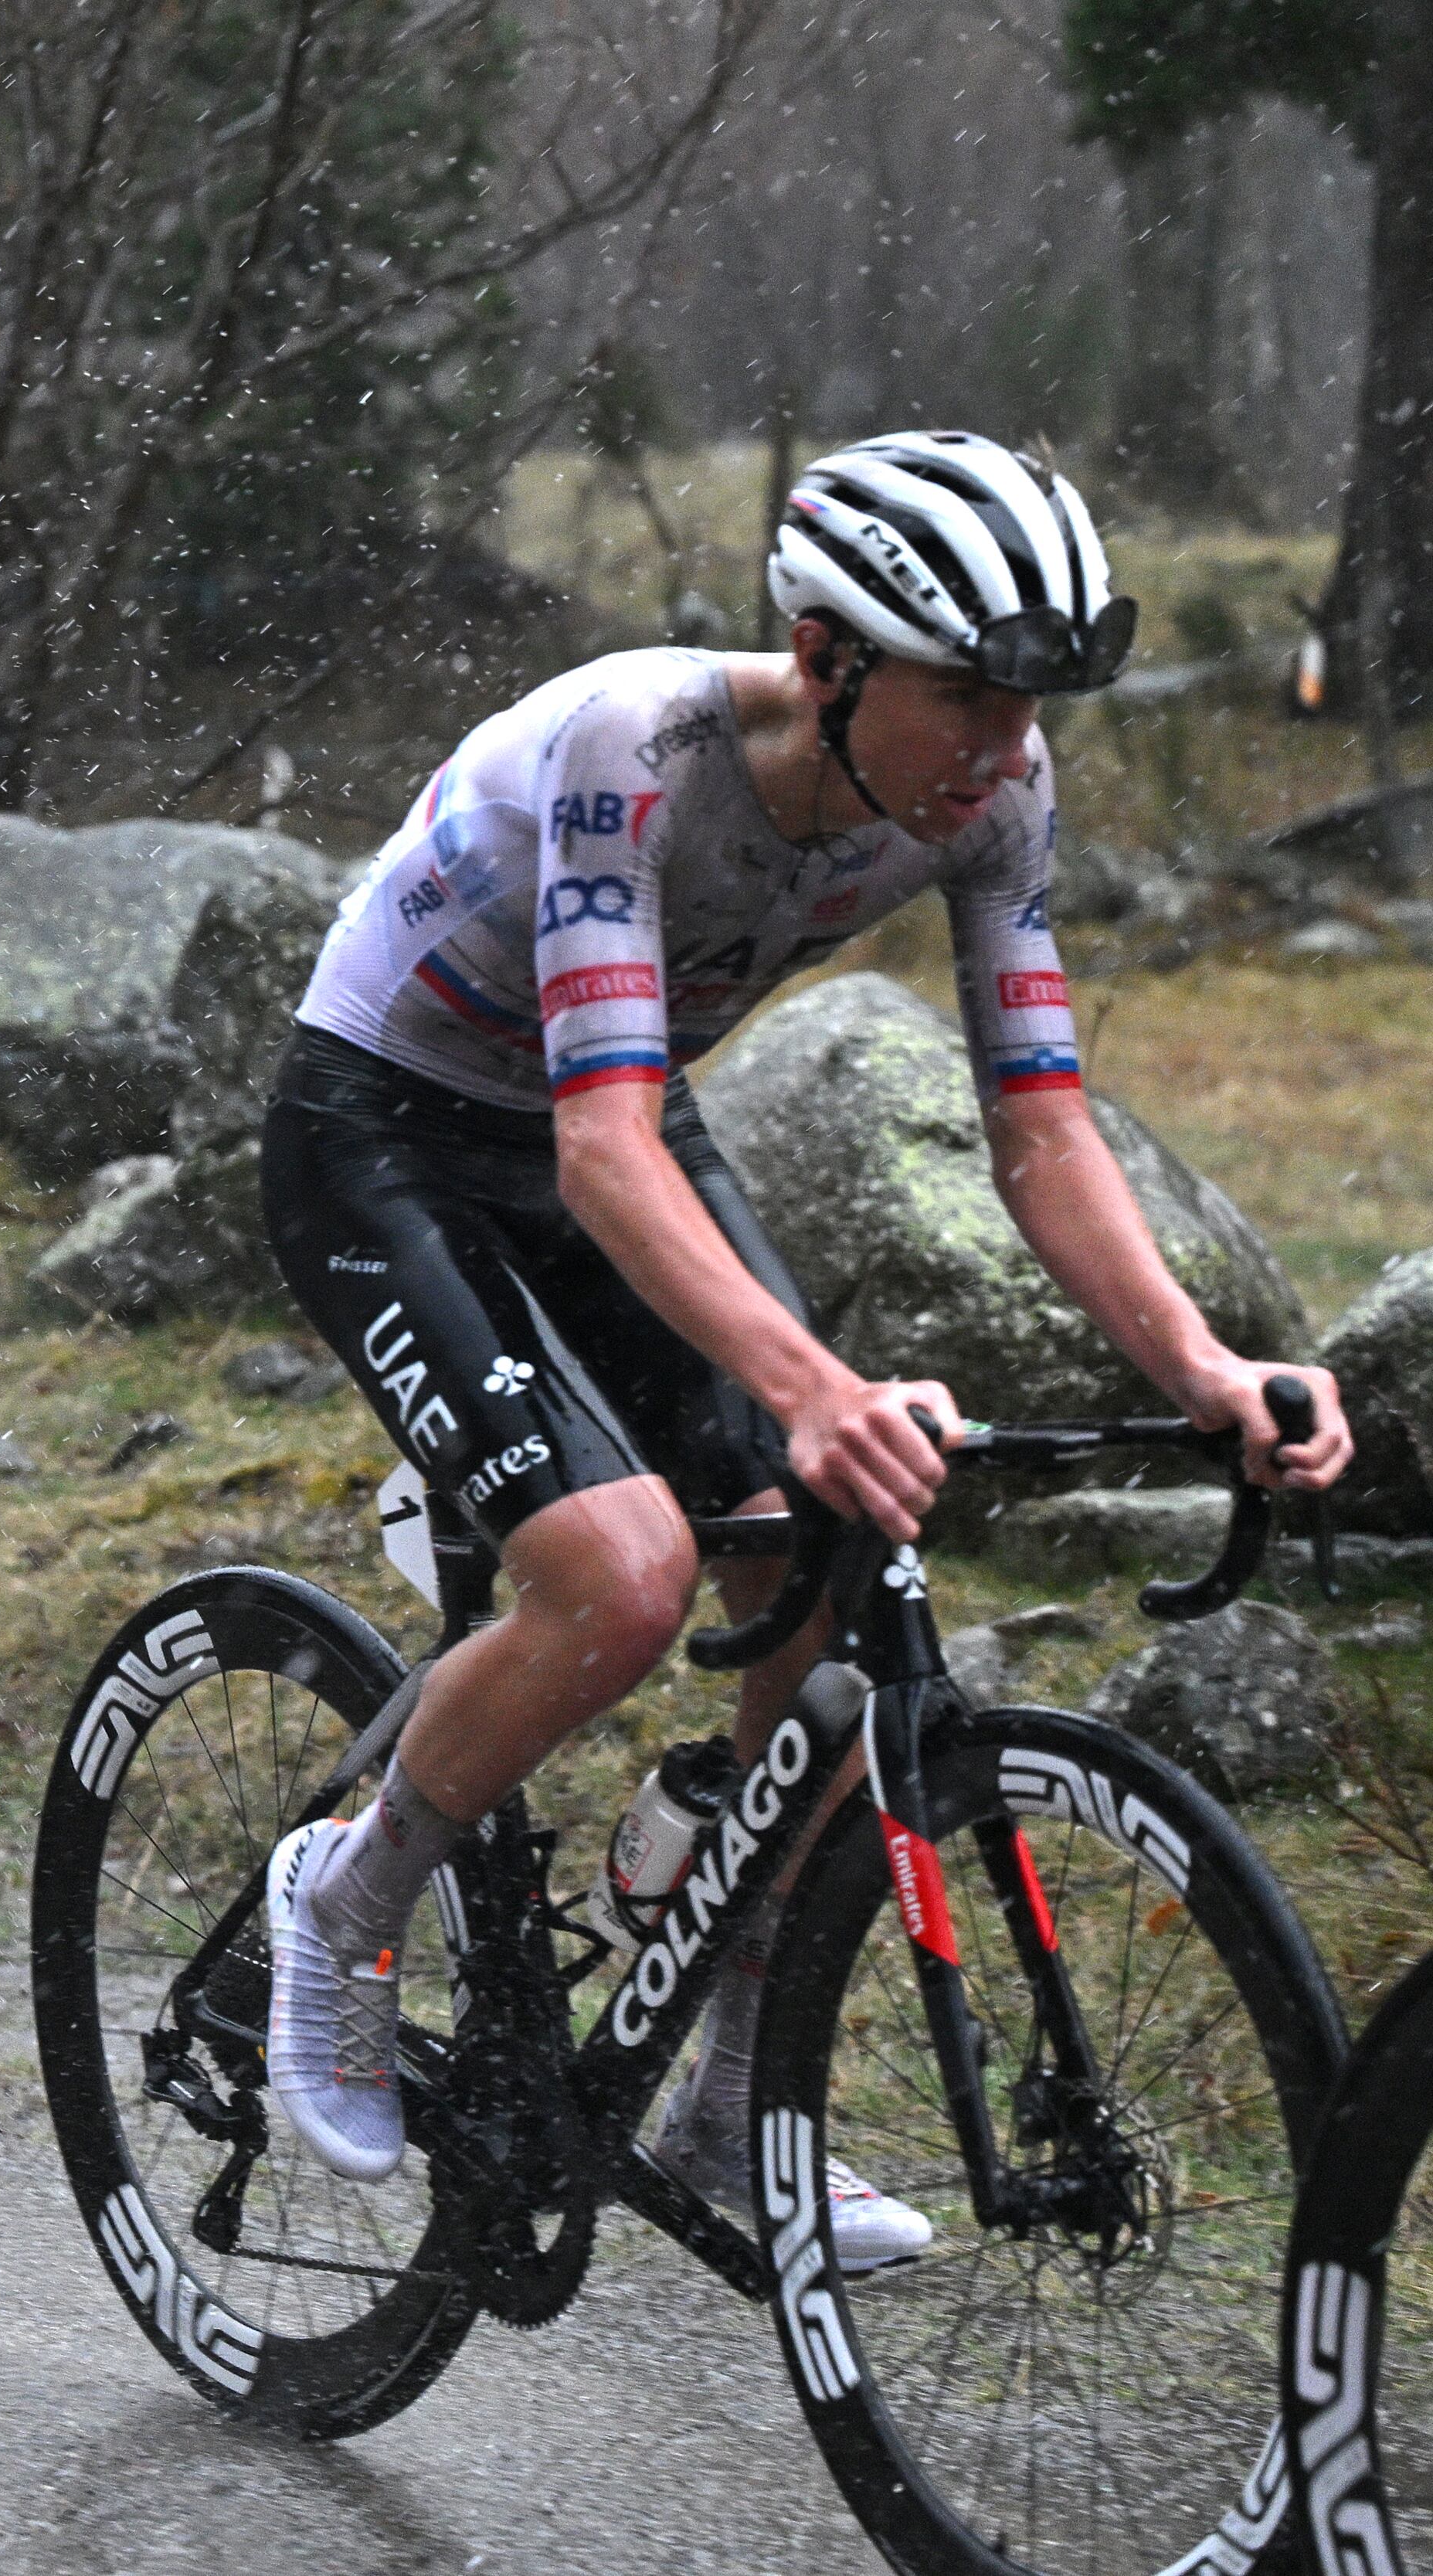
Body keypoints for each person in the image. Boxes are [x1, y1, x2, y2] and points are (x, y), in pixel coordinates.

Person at [255, 431, 1349, 2265]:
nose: (1006, 746)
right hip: (390, 1125)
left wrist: (1206, 1373)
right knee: (620, 1578)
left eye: (1033, 703)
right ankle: (345, 1893)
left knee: (832, 1564)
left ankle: (723, 2105)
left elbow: (1043, 1127)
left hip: (602, 1116)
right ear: (827, 654)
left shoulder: (994, 793)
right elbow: (601, 1147)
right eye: (971, 695)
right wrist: (816, 1388)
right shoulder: (638, 749)